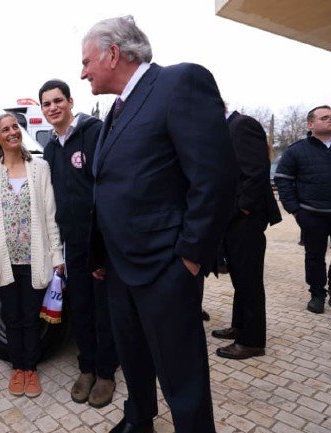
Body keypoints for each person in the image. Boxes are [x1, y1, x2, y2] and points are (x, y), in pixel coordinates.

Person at [81, 16, 236, 433]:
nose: (83, 72)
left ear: (113, 54)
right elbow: (110, 186)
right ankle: (140, 418)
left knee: (181, 372)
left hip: (165, 267)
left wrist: (189, 257)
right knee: (132, 356)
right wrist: (101, 254)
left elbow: (214, 178)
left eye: (87, 61)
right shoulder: (116, 109)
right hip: (118, 267)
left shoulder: (180, 83)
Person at [39, 79, 118, 408]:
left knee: (104, 310)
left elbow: (108, 187)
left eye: (58, 100)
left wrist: (103, 246)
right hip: (73, 244)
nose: (53, 107)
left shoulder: (94, 133)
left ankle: (106, 373)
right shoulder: (49, 149)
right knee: (81, 308)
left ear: (71, 102)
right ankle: (86, 367)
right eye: (46, 104)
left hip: (100, 242)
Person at [0, 113, 64, 399]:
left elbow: (50, 215)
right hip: (4, 258)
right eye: (5, 129)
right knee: (12, 317)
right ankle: (18, 368)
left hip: (34, 257)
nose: (12, 132)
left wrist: (56, 255)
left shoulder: (40, 168)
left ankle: (31, 369)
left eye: (15, 127)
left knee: (30, 317)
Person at [212, 109, 282, 360]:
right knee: (240, 278)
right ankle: (239, 326)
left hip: (246, 219)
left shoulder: (242, 125)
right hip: (235, 218)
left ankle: (252, 341)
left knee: (249, 280)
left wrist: (241, 208)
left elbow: (256, 173)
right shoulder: (227, 129)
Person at [274, 105, 331, 314]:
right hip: (312, 215)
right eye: (325, 117)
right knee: (314, 256)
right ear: (311, 124)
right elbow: (283, 181)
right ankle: (317, 294)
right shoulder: (297, 150)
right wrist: (295, 210)